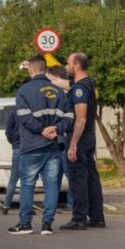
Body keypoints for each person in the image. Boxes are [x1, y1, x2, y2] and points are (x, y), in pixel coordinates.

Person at [9, 54, 73, 235]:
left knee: (28, 185)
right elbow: (69, 116)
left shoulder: (24, 91)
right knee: (52, 185)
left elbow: (24, 117)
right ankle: (47, 225)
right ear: (45, 69)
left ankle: (25, 223)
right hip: (54, 145)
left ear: (30, 70)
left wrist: (41, 130)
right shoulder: (59, 91)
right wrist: (56, 128)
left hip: (32, 146)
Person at [61, 52, 105, 230]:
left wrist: (73, 144)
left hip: (79, 137)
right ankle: (96, 217)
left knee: (78, 179)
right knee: (91, 179)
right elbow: (62, 83)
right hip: (88, 138)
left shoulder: (80, 89)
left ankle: (79, 218)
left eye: (68, 63)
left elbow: (81, 118)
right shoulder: (87, 84)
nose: (66, 66)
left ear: (76, 66)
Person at [46, 65, 75, 212]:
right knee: (55, 175)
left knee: (68, 173)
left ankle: (70, 203)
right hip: (56, 139)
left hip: (65, 139)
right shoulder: (54, 94)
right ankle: (54, 203)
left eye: (48, 77)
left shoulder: (66, 94)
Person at [0, 108, 20, 215]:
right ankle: (27, 206)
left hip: (18, 148)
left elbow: (8, 132)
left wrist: (14, 142)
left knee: (13, 179)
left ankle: (6, 205)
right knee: (28, 180)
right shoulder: (34, 110)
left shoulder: (15, 112)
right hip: (31, 148)